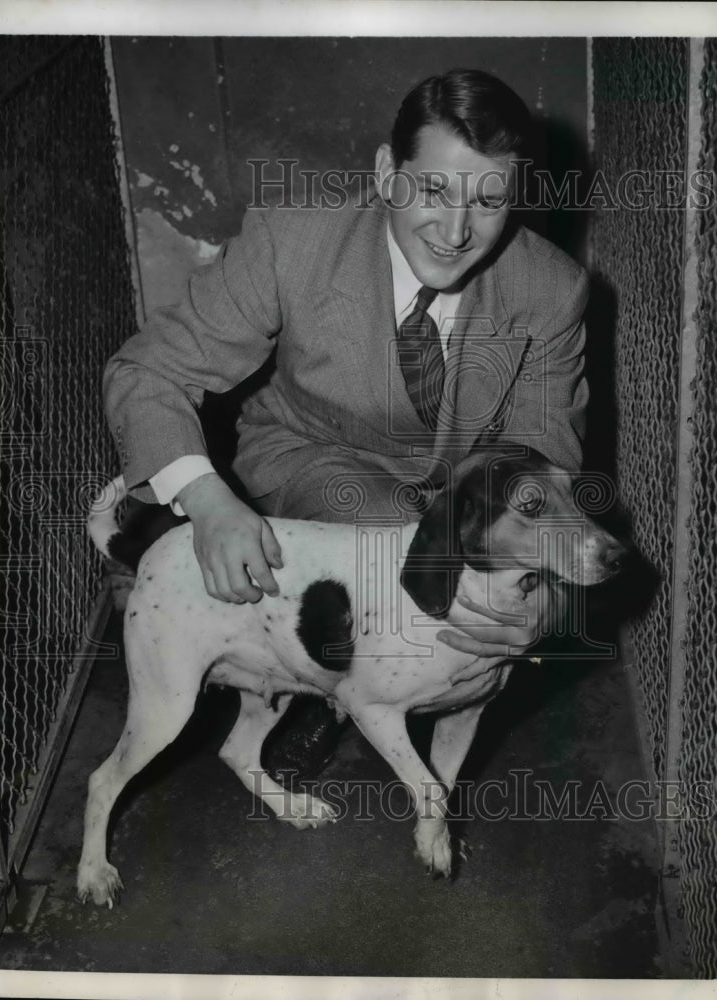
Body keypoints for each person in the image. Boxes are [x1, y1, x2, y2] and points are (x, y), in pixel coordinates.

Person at [104, 68, 589, 775]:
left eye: (488, 202)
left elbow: (548, 453)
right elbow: (147, 371)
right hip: (313, 454)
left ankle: (404, 697)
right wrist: (207, 504)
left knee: (491, 599)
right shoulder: (292, 240)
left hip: (463, 498)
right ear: (388, 171)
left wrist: (543, 598)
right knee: (384, 544)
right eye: (432, 190)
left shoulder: (552, 288)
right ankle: (328, 691)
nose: (456, 232)